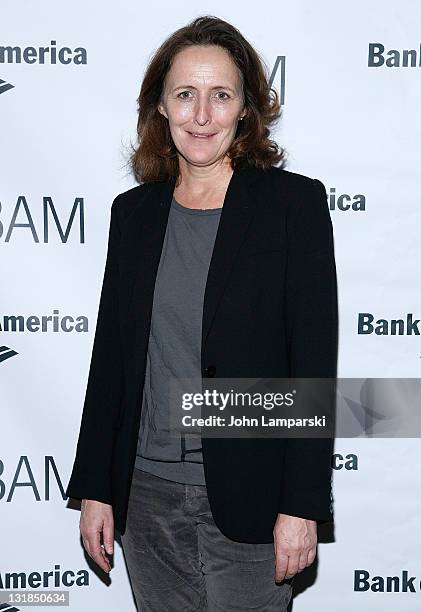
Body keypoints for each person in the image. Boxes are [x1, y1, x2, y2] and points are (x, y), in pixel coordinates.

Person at [65, 14, 338, 611]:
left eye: (221, 95)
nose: (202, 115)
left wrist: (302, 505)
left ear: (246, 108)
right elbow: (111, 357)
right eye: (185, 95)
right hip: (146, 497)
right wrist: (95, 488)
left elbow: (313, 366)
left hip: (253, 500)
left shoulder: (294, 206)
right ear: (160, 106)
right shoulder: (133, 214)